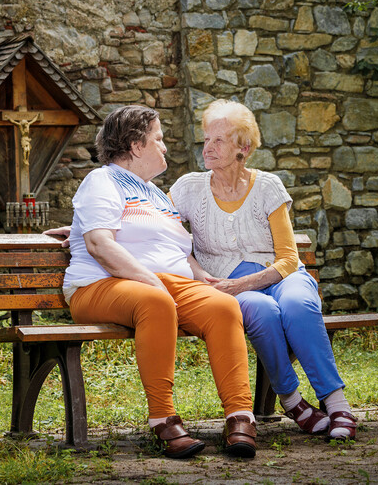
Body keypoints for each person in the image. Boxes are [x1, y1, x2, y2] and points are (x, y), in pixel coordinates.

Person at [45, 105, 257, 459]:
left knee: (223, 306)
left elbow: (171, 245)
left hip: (165, 282)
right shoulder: (102, 180)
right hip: (99, 285)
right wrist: (150, 281)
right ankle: (163, 419)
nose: (164, 147)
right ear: (135, 145)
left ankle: (240, 416)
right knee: (154, 301)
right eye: (158, 139)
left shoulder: (156, 194)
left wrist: (199, 275)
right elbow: (100, 244)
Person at [169, 99, 357, 441]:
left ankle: (336, 402)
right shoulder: (188, 188)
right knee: (263, 310)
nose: (207, 148)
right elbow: (161, 231)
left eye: (219, 141)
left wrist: (242, 284)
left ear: (244, 148)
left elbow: (287, 257)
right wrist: (198, 271)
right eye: (206, 139)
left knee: (299, 305)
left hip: (281, 276)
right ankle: (292, 400)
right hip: (225, 285)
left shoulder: (267, 186)